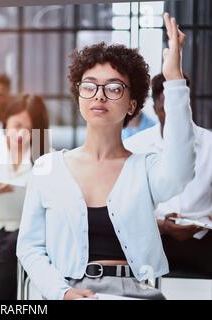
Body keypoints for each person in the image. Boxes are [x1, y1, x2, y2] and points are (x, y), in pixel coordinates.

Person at [17, 13, 194, 300]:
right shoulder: (47, 167)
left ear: (131, 104)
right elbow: (29, 247)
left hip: (134, 293)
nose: (99, 95)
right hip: (70, 291)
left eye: (114, 88)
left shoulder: (146, 167)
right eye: (89, 86)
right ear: (79, 97)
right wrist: (61, 292)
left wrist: (174, 79)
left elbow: (182, 170)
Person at [124, 73, 212, 275]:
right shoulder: (134, 147)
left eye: (179, 109)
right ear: (155, 108)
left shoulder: (209, 144)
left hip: (204, 241)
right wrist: (162, 226)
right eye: (165, 110)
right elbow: (126, 209)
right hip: (152, 240)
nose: (174, 119)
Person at [0, 94, 49, 299]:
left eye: (29, 129)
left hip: (33, 231)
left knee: (18, 243)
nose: (21, 133)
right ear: (6, 122)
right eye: (17, 125)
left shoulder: (47, 158)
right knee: (11, 250)